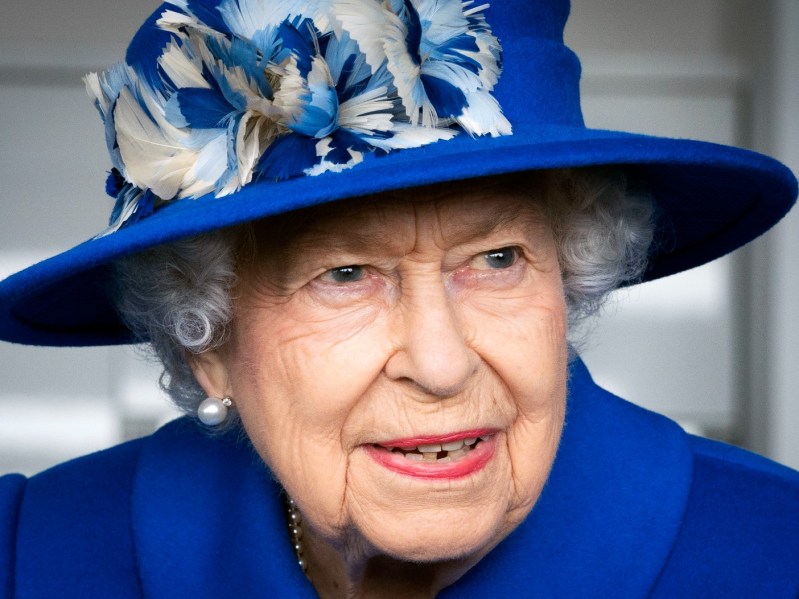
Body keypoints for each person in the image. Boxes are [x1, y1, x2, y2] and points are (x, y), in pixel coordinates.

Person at [1, 0, 798, 597]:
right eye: (344, 275)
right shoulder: (35, 554)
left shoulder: (772, 550)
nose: (442, 363)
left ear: (569, 278)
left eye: (495, 258)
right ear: (205, 341)